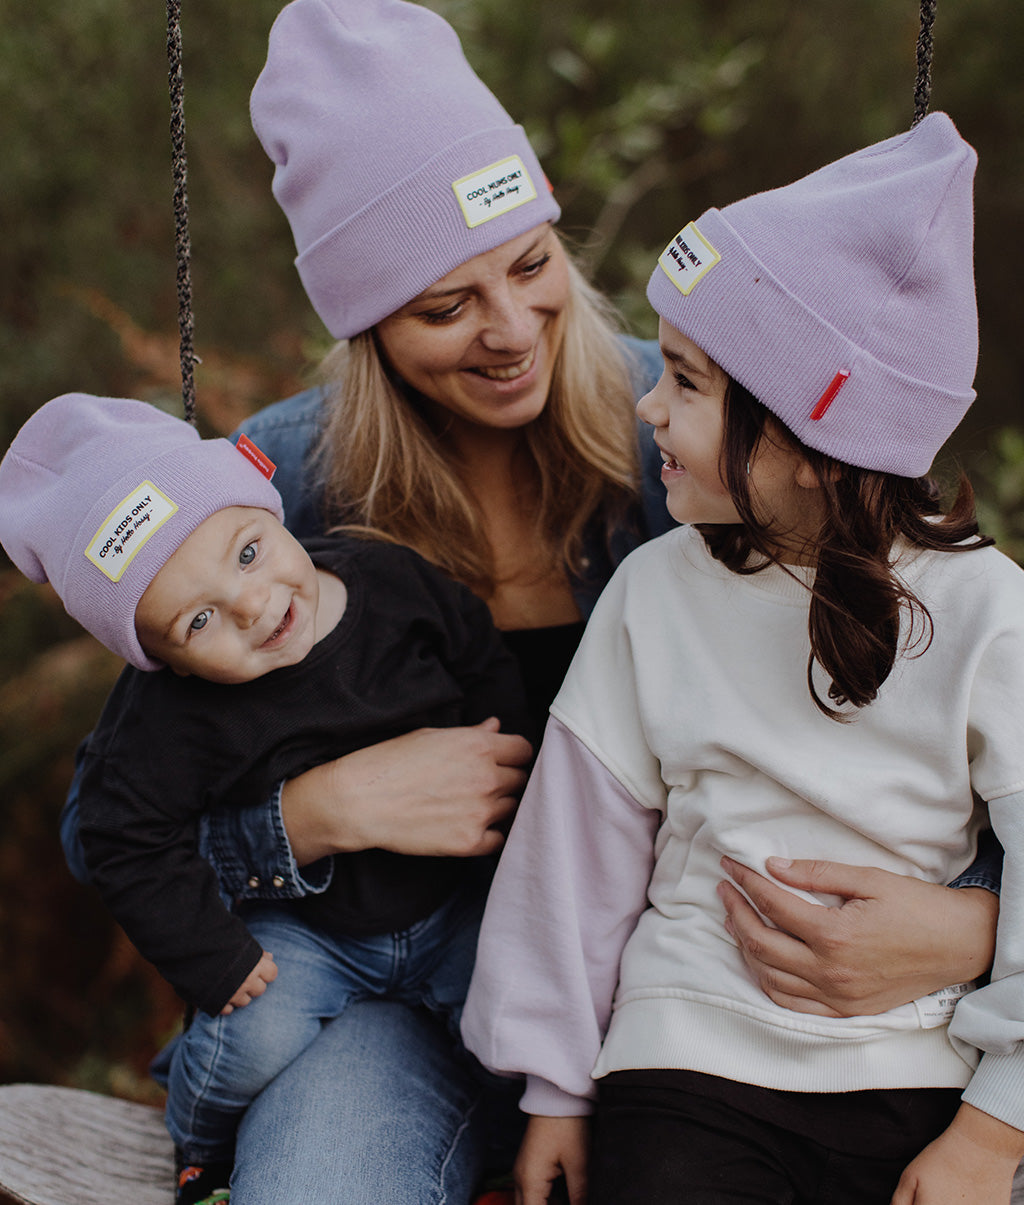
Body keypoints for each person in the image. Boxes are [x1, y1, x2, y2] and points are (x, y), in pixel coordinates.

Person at [53, 2, 1001, 1201]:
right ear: (365, 324)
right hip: (396, 996)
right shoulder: (267, 499)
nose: (512, 333)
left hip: (712, 995)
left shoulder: (713, 434)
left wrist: (967, 926)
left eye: (531, 264)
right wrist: (309, 817)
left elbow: (946, 684)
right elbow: (119, 823)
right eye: (444, 307)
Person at [461, 112, 1024, 1205]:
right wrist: (555, 1091)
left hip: (921, 1071)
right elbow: (574, 854)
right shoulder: (657, 593)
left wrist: (994, 1129)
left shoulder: (987, 613)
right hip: (686, 1064)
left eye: (686, 382)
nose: (647, 407)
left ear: (815, 443)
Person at [0, 393, 533, 1205]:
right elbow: (114, 833)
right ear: (158, 656)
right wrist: (213, 954)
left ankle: (511, 1150)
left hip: (452, 907)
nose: (251, 607)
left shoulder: (388, 580)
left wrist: (512, 760)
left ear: (266, 503)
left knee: (520, 1019)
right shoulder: (166, 717)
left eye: (247, 554)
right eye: (200, 618)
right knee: (250, 1036)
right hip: (308, 935)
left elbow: (478, 649)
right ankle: (199, 1156)